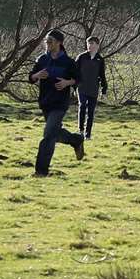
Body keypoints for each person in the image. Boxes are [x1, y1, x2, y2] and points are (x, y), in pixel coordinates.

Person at [29, 30, 85, 176]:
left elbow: (78, 79)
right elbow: (31, 77)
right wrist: (37, 75)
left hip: (60, 103)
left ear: (59, 43)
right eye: (46, 41)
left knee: (48, 135)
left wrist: (67, 82)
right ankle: (76, 140)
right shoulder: (41, 59)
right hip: (45, 102)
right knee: (53, 133)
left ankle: (41, 171)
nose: (47, 43)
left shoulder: (68, 62)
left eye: (50, 41)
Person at [75, 36, 108, 141]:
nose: (90, 46)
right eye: (89, 44)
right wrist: (73, 86)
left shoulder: (100, 60)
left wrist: (104, 90)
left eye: (93, 44)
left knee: (91, 112)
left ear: (97, 46)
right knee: (82, 106)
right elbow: (74, 72)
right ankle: (80, 130)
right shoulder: (81, 57)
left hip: (94, 89)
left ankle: (88, 134)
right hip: (82, 87)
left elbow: (102, 75)